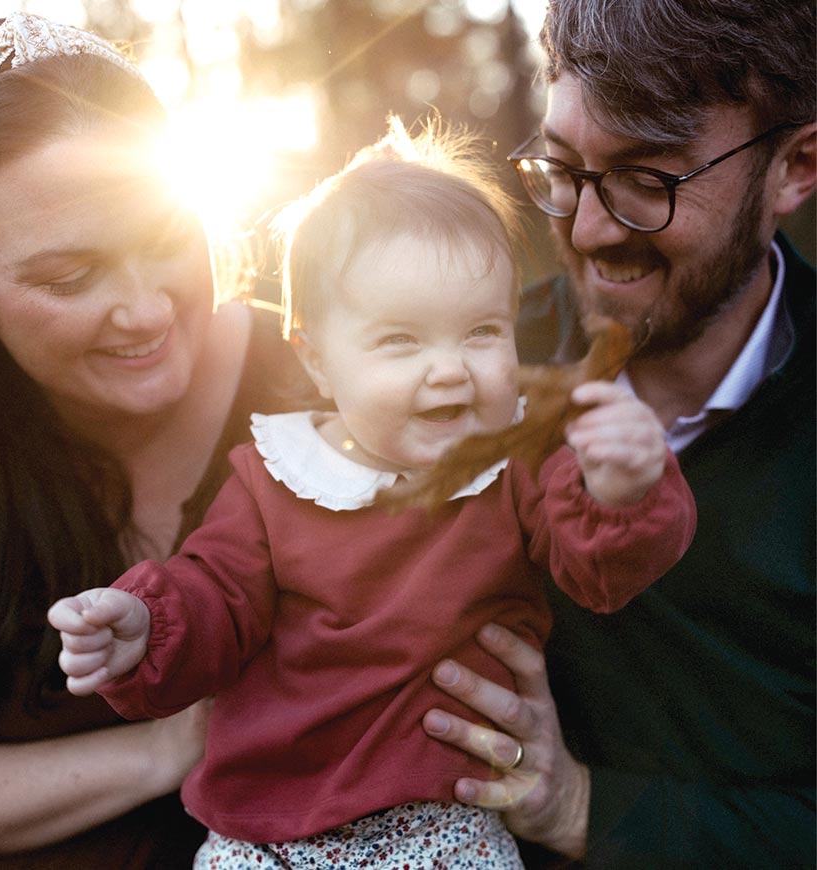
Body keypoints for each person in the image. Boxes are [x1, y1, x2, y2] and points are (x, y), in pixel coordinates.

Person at [47, 116, 696, 869]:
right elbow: (215, 596)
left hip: (443, 824)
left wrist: (622, 490)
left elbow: (599, 572)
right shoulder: (275, 476)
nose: (450, 369)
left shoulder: (519, 461)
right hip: (267, 833)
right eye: (401, 341)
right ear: (317, 358)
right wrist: (143, 627)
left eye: (482, 332)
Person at [420, 1, 816, 867]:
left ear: (795, 167)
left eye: (649, 181)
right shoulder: (471, 373)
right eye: (562, 170)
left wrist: (582, 808)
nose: (590, 230)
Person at [0, 13, 315, 869]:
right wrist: (164, 751)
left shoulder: (326, 376)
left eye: (165, 238)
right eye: (69, 278)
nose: (147, 311)